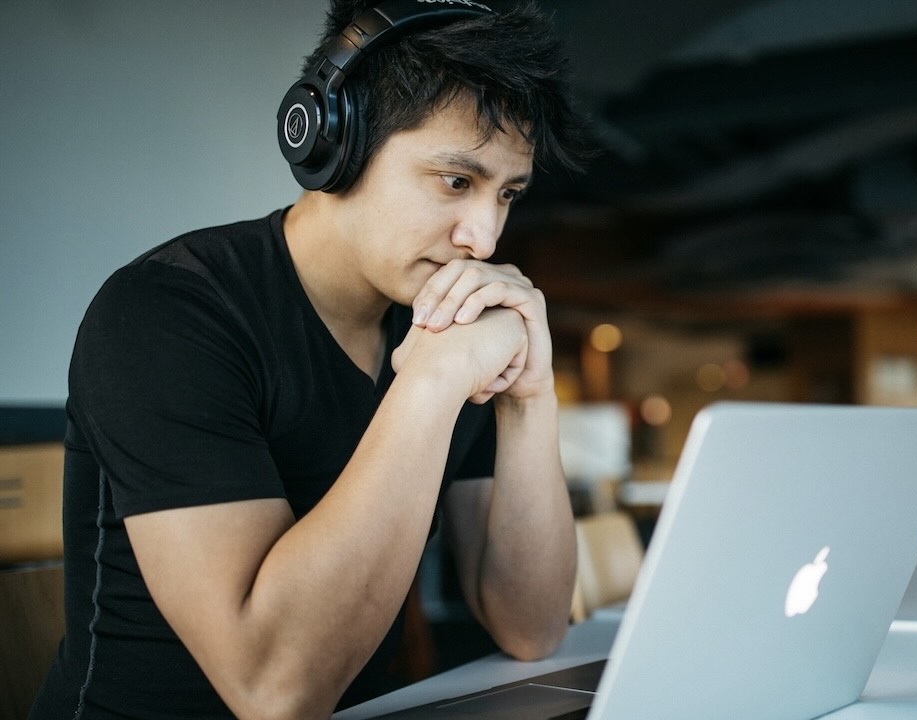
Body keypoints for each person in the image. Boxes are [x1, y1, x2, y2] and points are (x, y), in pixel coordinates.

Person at [31, 1, 592, 717]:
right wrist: (433, 380)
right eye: (456, 181)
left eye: (507, 194)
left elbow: (532, 627)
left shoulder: (445, 320)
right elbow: (275, 689)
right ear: (335, 144)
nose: (483, 237)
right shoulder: (166, 313)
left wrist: (528, 397)